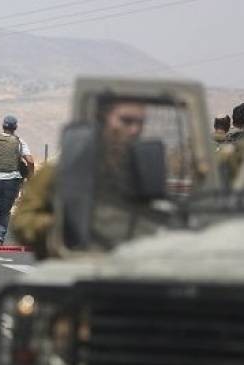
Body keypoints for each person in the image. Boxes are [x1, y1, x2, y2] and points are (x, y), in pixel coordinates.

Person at [12, 100, 164, 258]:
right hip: (74, 261)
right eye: (126, 121)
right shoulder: (62, 169)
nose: (134, 130)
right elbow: (22, 222)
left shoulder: (144, 170)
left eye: (140, 123)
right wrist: (64, 223)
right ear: (103, 120)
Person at [0, 115, 34, 246]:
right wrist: (30, 176)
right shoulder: (19, 142)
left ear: (3, 126)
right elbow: (30, 161)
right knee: (5, 212)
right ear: (15, 127)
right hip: (12, 180)